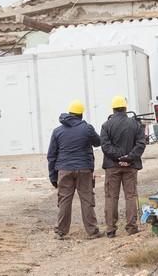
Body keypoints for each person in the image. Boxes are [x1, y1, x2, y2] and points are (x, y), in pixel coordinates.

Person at [47, 99, 102, 240]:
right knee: (87, 199)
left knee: (64, 200)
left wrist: (53, 177)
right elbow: (98, 142)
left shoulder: (57, 131)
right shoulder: (87, 128)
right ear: (81, 115)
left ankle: (61, 231)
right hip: (84, 169)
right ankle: (92, 231)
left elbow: (51, 156)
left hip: (64, 170)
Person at [100, 95, 146, 238]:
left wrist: (117, 157)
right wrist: (128, 157)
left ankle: (110, 229)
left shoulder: (106, 125)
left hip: (112, 167)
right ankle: (132, 227)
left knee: (111, 197)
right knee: (130, 196)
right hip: (130, 166)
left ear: (113, 109)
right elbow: (141, 144)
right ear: (125, 108)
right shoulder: (135, 124)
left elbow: (105, 146)